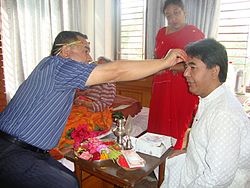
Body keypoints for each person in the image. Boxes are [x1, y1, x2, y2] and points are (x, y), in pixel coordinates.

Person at [0, 30, 186, 188]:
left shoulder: (54, 70)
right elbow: (116, 70)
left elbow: (114, 77)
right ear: (65, 51)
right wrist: (165, 61)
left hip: (28, 150)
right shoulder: (59, 66)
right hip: (12, 150)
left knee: (71, 179)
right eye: (85, 50)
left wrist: (157, 69)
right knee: (67, 184)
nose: (90, 57)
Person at [161, 38, 250, 188]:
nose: (186, 74)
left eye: (193, 67)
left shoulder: (224, 114)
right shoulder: (210, 99)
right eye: (186, 67)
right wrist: (186, 152)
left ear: (214, 71)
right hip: (195, 171)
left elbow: (217, 179)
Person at [147, 0, 205, 150]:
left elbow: (199, 62)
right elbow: (158, 58)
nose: (173, 18)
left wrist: (170, 66)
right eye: (168, 15)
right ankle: (156, 162)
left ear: (185, 12)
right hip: (161, 84)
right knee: (158, 122)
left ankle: (174, 160)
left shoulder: (194, 33)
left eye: (176, 13)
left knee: (178, 124)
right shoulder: (161, 33)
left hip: (183, 85)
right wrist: (157, 66)